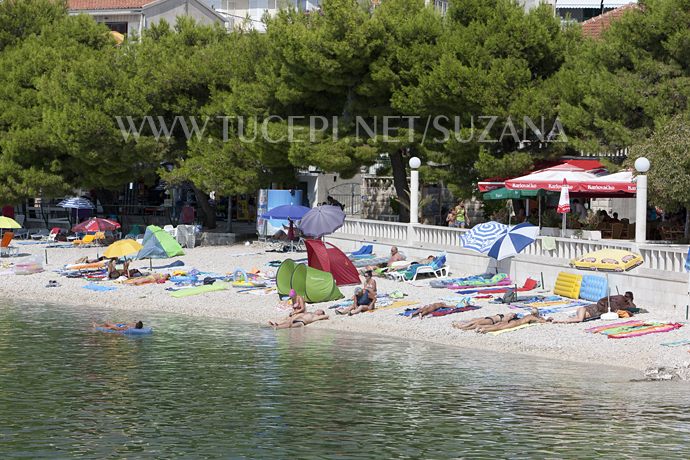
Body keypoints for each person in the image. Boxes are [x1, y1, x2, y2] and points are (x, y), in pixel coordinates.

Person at [554, 292, 635, 324]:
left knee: (578, 319)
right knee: (579, 319)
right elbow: (632, 307)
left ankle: (559, 321)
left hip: (585, 309)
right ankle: (559, 321)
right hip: (586, 309)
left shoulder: (619, 299)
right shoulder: (621, 300)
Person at [476, 309, 551, 333]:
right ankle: (484, 329)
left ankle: (480, 326)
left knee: (498, 325)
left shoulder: (528, 315)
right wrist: (544, 319)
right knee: (500, 328)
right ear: (537, 313)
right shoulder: (533, 317)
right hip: (515, 323)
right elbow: (543, 322)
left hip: (514, 320)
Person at [452, 312, 518, 331]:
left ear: (513, 317)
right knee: (474, 321)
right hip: (488, 318)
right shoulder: (505, 314)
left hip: (491, 320)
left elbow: (500, 323)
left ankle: (463, 327)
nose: (512, 314)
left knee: (475, 324)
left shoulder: (507, 319)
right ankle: (462, 326)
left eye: (513, 314)